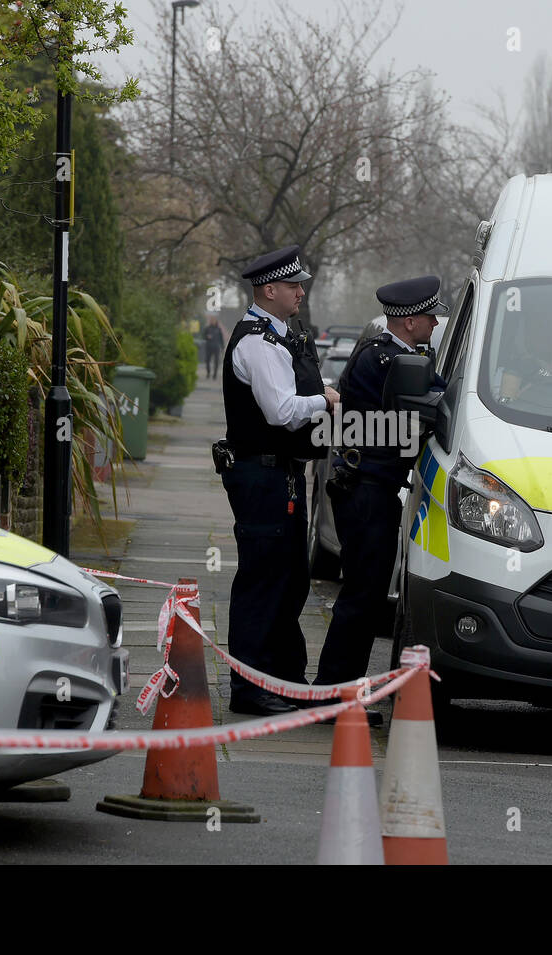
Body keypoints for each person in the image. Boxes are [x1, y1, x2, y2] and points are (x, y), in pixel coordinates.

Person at [313, 276, 447, 720]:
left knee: (365, 596)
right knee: (363, 597)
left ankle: (337, 690)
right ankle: (337, 695)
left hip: (374, 490)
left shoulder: (404, 356)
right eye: (429, 315)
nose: (434, 321)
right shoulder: (385, 360)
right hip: (367, 493)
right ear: (410, 321)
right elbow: (423, 412)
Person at [216, 246, 340, 717]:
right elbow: (282, 412)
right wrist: (323, 400)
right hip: (260, 474)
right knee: (262, 581)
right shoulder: (257, 342)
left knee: (290, 580)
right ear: (270, 290)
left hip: (280, 474)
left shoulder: (280, 337)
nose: (300, 292)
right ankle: (250, 688)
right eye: (294, 286)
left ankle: (285, 679)